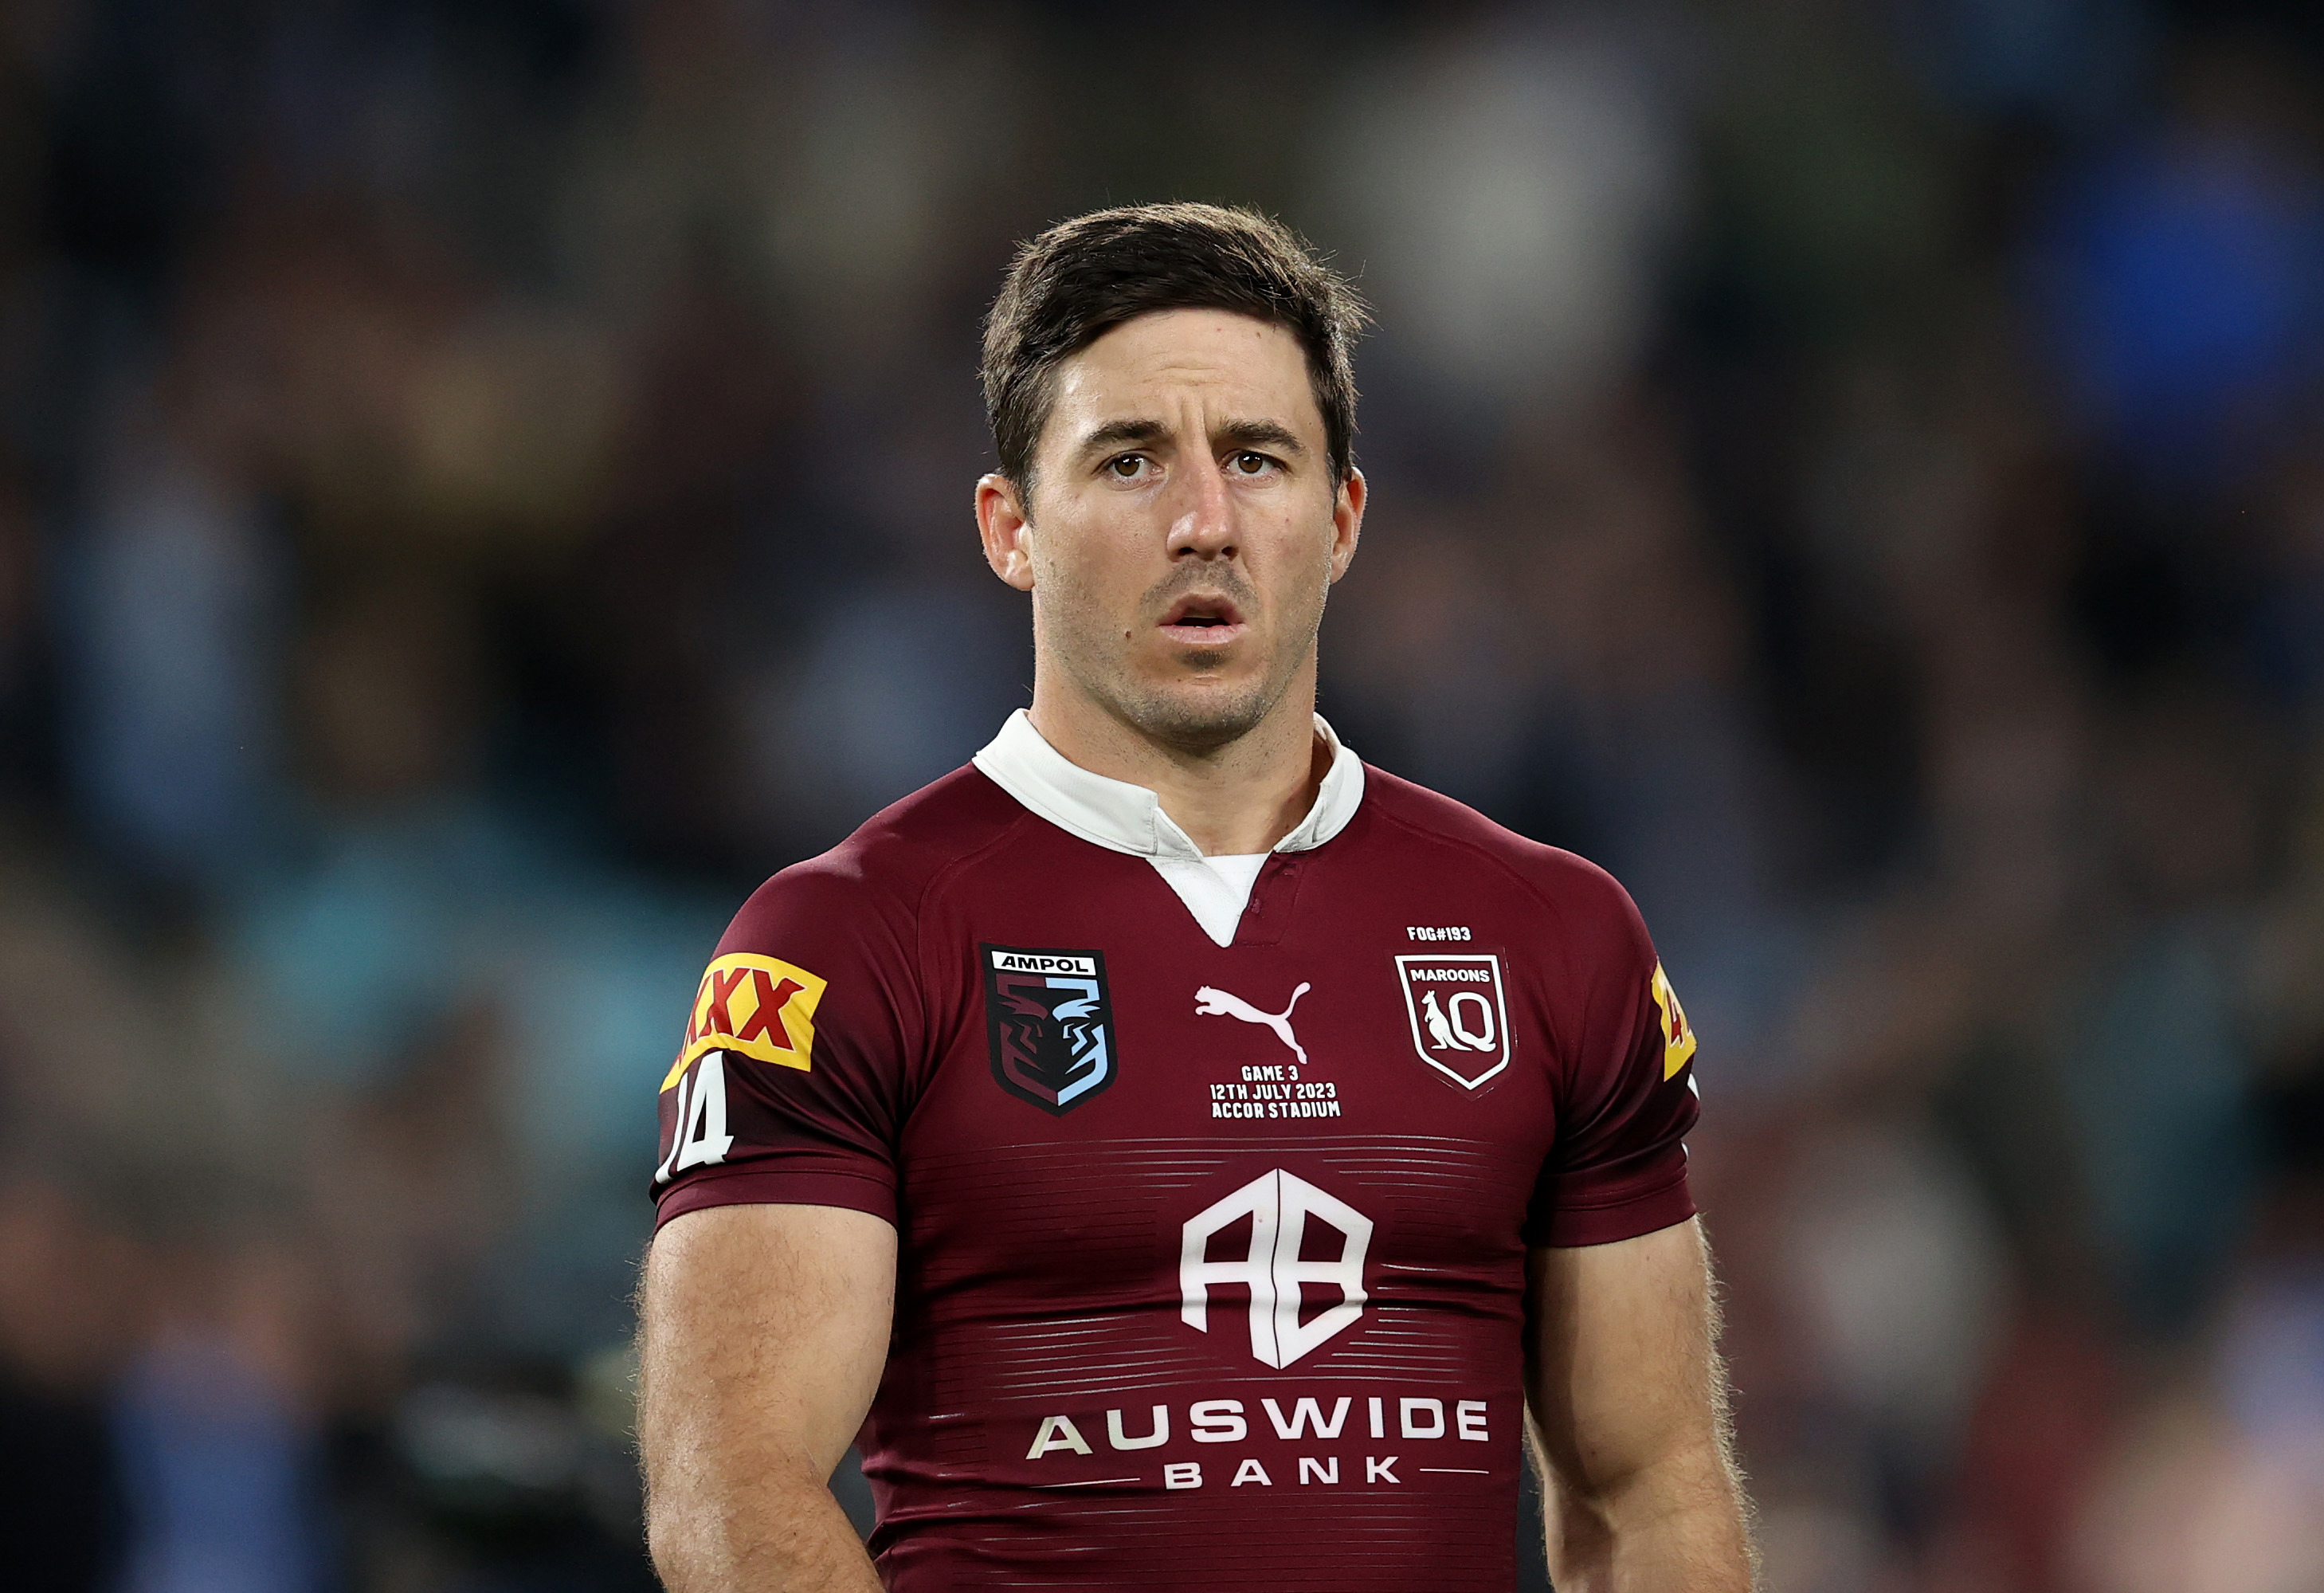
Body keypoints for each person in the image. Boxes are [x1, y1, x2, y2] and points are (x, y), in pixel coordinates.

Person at [637, 203, 1754, 1592]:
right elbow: (731, 1490)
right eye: (1129, 461)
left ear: (1340, 521)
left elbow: (1648, 1490)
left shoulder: (1552, 934)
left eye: (1256, 458)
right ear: (1010, 528)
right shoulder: (843, 944)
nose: (1203, 523)